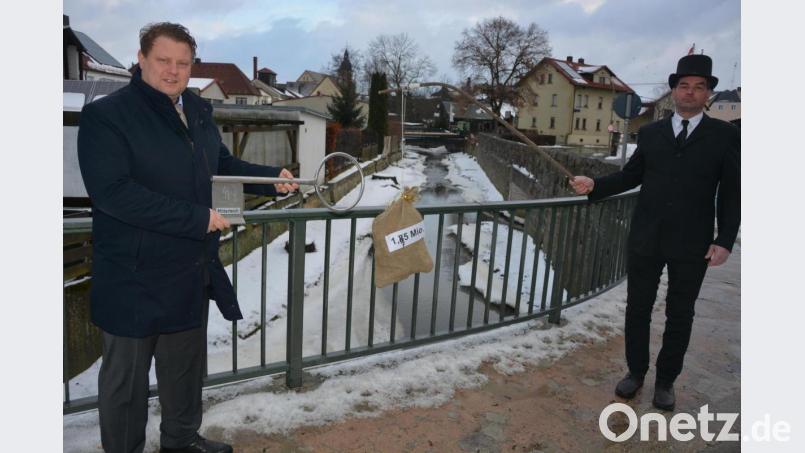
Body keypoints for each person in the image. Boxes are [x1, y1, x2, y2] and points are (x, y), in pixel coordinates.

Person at [77, 22, 298, 453]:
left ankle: (180, 441)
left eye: (183, 62)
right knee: (126, 386)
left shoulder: (196, 111)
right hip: (132, 277)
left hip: (187, 271)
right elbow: (114, 194)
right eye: (163, 60)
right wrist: (197, 219)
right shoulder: (107, 117)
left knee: (183, 372)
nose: (173, 71)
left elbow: (220, 166)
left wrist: (272, 179)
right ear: (141, 60)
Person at [569, 54, 739, 411]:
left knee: (681, 313)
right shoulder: (651, 133)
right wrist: (595, 184)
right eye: (683, 86)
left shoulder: (724, 135)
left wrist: (724, 240)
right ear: (673, 90)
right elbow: (631, 176)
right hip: (647, 237)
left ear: (708, 93)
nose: (690, 93)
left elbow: (732, 191)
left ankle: (666, 381)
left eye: (698, 87)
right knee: (638, 309)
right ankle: (636, 372)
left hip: (692, 243)